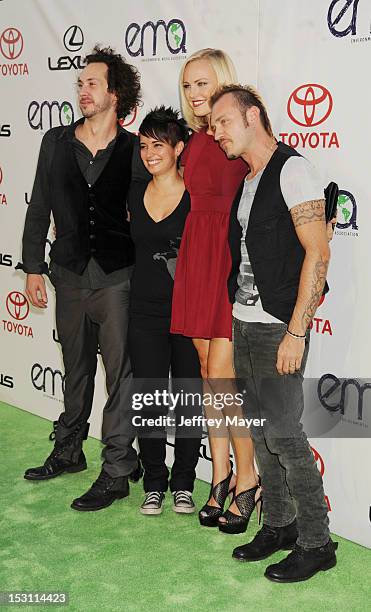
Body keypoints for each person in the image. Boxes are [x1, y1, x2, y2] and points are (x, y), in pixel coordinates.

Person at [210, 84, 338, 582]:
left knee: (284, 434)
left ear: (253, 116)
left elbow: (319, 252)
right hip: (245, 324)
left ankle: (317, 541)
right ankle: (280, 524)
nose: (216, 131)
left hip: (277, 329)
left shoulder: (294, 169)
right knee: (262, 436)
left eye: (223, 121)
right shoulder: (251, 178)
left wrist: (297, 332)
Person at [19, 46, 149, 512]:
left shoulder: (137, 149)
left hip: (118, 278)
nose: (82, 91)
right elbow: (38, 207)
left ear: (115, 94)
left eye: (92, 83)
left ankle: (117, 469)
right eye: (80, 84)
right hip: (69, 274)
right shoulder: (54, 142)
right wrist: (32, 265)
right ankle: (69, 450)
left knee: (121, 376)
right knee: (75, 369)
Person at [170, 49, 260, 533]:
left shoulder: (238, 134)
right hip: (196, 256)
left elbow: (262, 184)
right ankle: (220, 474)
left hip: (226, 257)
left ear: (223, 81)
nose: (195, 94)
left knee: (225, 378)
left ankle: (249, 479)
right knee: (207, 372)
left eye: (203, 83)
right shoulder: (193, 142)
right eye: (188, 87)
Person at [128, 107, 202, 515]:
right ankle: (154, 480)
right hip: (144, 311)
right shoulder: (133, 192)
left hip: (188, 311)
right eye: (143, 146)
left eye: (158, 145)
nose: (149, 153)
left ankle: (184, 481)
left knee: (189, 397)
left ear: (178, 147)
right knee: (151, 397)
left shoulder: (196, 196)